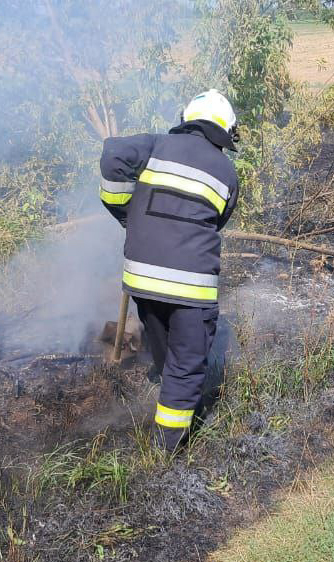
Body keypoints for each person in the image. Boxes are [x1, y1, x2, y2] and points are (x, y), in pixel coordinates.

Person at [99, 89, 240, 451]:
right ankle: (165, 453)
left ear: (187, 119)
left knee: (160, 336)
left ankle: (164, 382)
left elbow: (112, 153)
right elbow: (217, 221)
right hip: (191, 285)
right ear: (224, 133)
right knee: (187, 364)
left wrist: (125, 211)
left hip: (142, 277)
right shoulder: (226, 172)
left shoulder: (155, 144)